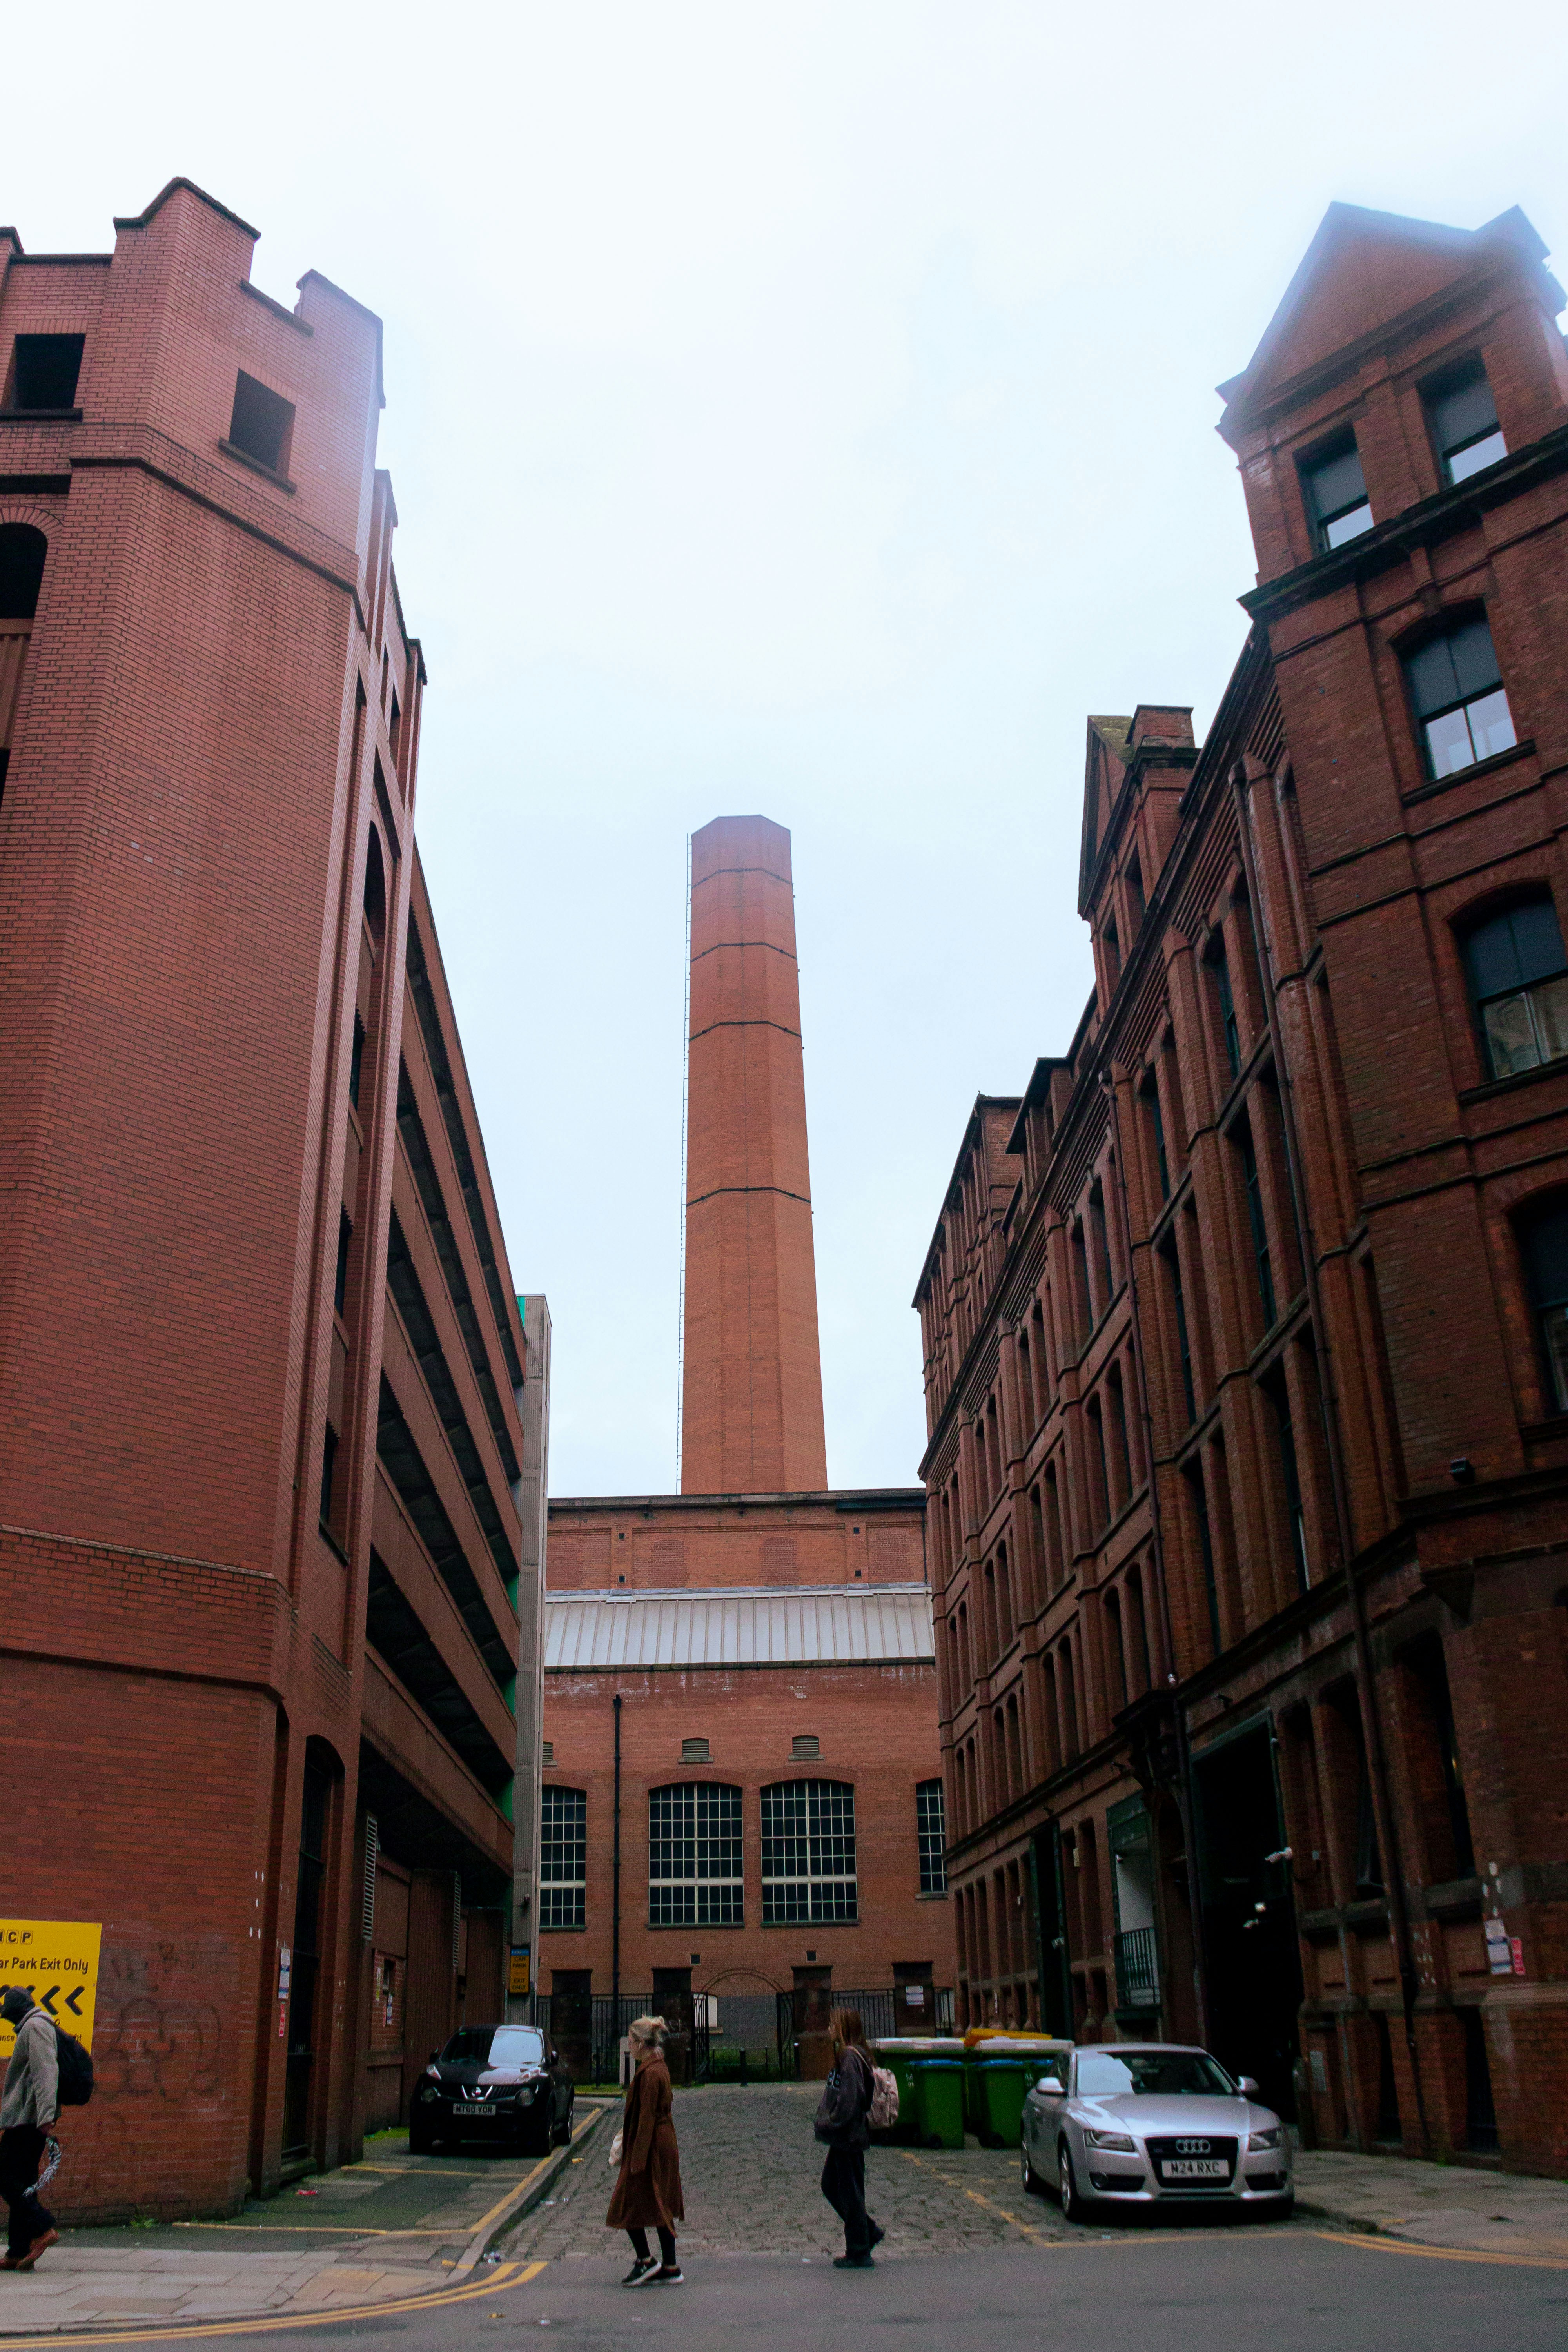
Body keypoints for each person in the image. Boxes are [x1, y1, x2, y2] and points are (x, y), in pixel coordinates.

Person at [606, 2014, 684, 2286]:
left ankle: (646, 2261)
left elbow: (647, 2117)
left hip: (652, 2146)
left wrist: (635, 2160)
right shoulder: (656, 2067)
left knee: (626, 2203)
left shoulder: (650, 2073)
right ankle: (671, 2266)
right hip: (661, 2142)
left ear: (640, 2043)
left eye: (630, 2042)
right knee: (660, 2202)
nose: (629, 2046)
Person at [815, 2007, 884, 2270]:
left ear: (843, 2027)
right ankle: (867, 2233)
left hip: (848, 2135)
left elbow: (851, 2098)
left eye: (833, 2025)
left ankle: (859, 2249)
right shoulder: (849, 2055)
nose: (829, 2029)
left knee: (848, 2191)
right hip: (847, 2135)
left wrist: (833, 2122)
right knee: (833, 2185)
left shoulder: (849, 2057)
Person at [0, 1988, 61, 2273]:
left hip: (30, 2121)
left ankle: (43, 2228)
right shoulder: (34, 2026)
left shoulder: (36, 2027)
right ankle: (19, 2250)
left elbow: (46, 2072)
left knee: (4, 2176)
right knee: (22, 2182)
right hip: (26, 2119)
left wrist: (47, 2117)